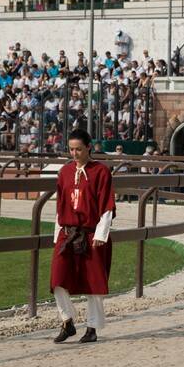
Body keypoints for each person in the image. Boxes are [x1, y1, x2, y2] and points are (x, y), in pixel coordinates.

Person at [50, 129, 116, 344]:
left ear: (89, 147)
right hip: (68, 233)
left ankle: (92, 328)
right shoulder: (64, 172)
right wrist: (57, 234)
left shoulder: (101, 172)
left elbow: (107, 205)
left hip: (91, 234)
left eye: (78, 149)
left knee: (93, 283)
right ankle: (67, 321)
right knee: (57, 278)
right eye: (71, 149)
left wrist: (101, 234)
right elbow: (60, 206)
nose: (75, 153)